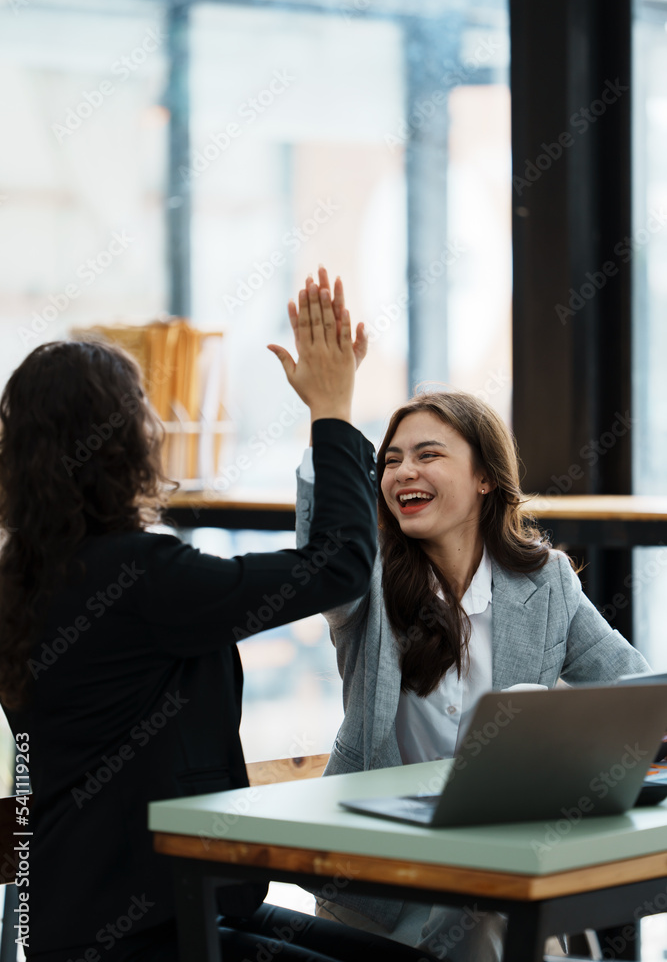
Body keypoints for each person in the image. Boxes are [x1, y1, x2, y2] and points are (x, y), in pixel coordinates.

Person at [0, 276, 429, 962]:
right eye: (142, 408)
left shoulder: (22, 576)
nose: (158, 423)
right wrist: (333, 410)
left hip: (90, 917)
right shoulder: (141, 577)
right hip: (145, 932)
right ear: (119, 444)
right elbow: (340, 564)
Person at [294, 273, 651, 962]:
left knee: (504, 923)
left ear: (486, 477)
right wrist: (325, 414)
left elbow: (629, 688)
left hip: (501, 854)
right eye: (390, 460)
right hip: (384, 868)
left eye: (428, 455)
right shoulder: (361, 578)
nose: (402, 472)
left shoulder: (542, 581)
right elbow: (322, 549)